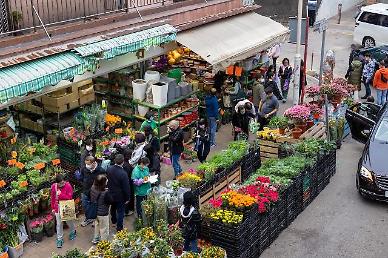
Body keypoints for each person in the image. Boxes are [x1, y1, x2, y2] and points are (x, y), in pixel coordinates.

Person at [50, 174, 76, 248]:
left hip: (66, 205)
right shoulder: (54, 187)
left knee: (69, 220)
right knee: (59, 223)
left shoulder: (68, 186)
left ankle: (73, 231)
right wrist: (53, 208)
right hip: (58, 207)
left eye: (63, 182)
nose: (62, 184)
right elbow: (52, 197)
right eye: (60, 183)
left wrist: (61, 195)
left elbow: (69, 197)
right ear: (57, 183)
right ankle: (59, 238)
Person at [107, 154, 130, 232]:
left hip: (111, 193)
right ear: (122, 162)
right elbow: (126, 187)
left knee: (113, 208)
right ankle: (119, 228)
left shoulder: (109, 169)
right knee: (120, 212)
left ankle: (113, 221)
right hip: (120, 196)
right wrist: (127, 198)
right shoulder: (123, 173)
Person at [80, 156, 105, 227]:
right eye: (86, 164)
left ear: (94, 163)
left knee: (95, 206)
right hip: (86, 191)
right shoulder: (84, 169)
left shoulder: (100, 170)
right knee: (85, 206)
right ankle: (88, 219)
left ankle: (95, 220)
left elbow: (103, 182)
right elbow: (81, 178)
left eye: (88, 164)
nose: (87, 166)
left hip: (96, 193)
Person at [90, 174, 111, 244]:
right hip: (103, 213)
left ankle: (96, 238)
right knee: (104, 229)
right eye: (106, 180)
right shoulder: (105, 193)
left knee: (97, 225)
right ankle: (104, 244)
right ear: (103, 183)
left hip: (95, 212)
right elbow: (110, 201)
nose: (107, 181)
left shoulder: (93, 187)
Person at [123, 148, 135, 216]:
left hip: (126, 183)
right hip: (128, 183)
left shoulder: (124, 163)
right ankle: (127, 211)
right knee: (128, 197)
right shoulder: (127, 165)